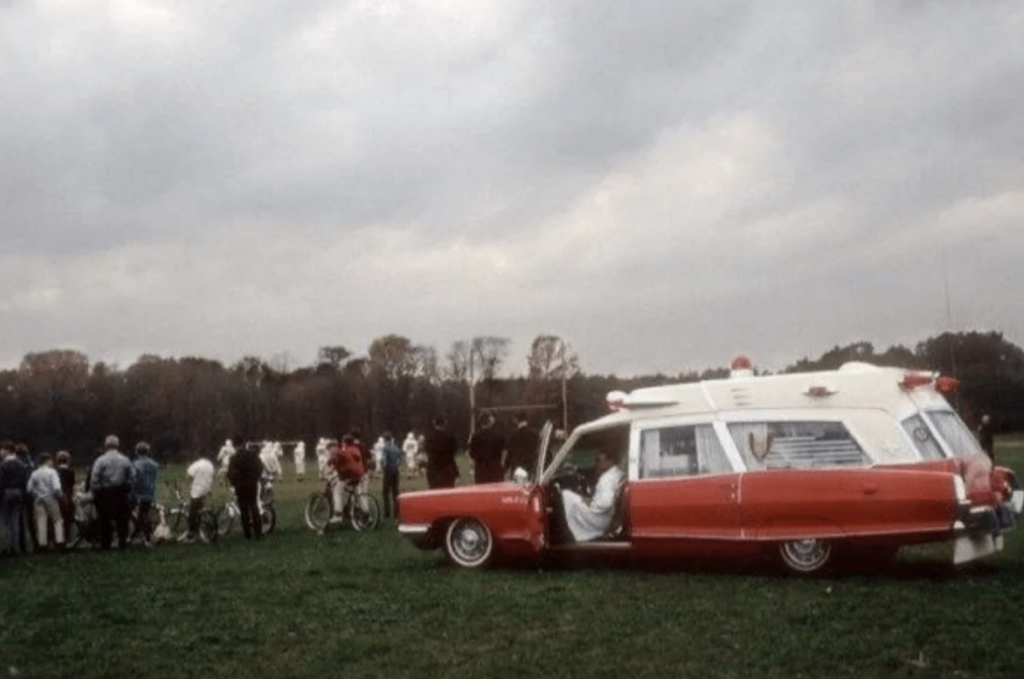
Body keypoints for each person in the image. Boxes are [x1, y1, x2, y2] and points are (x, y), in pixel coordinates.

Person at [560, 451, 624, 543]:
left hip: (601, 520)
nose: (596, 463)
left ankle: (569, 534)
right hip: (609, 517)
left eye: (599, 460)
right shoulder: (618, 473)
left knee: (566, 495)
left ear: (610, 461)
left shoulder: (606, 479)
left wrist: (588, 502)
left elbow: (605, 504)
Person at [89, 435, 136, 550]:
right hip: (121, 492)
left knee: (104, 519)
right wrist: (127, 486)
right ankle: (122, 542)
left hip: (105, 492)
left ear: (106, 446)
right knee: (122, 519)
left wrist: (97, 490)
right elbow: (133, 476)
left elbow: (94, 477)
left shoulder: (101, 460)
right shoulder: (125, 459)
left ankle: (106, 544)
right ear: (117, 445)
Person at [27, 453, 65, 551]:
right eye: (51, 460)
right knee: (57, 520)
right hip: (51, 498)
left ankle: (42, 544)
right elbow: (57, 488)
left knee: (41, 521)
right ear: (47, 460)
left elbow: (29, 489)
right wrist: (59, 496)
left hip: (38, 499)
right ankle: (59, 541)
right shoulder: (52, 472)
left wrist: (36, 495)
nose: (52, 462)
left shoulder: (34, 473)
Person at [228, 442, 265, 540]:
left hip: (240, 486)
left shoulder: (234, 458)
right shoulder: (252, 455)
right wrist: (255, 478)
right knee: (254, 507)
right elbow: (260, 467)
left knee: (243, 510)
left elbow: (230, 473)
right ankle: (258, 532)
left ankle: (247, 534)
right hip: (252, 484)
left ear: (235, 445)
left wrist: (234, 483)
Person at [0, 441, 29, 557]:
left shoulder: (2, 465)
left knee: (6, 522)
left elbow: (0, 483)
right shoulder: (22, 465)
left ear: (7, 450)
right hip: (19, 492)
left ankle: (8, 548)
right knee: (15, 521)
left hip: (6, 493)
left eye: (1, 450)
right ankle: (16, 548)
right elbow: (25, 481)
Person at [328, 435, 365, 522]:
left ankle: (338, 514)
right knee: (356, 494)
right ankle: (365, 514)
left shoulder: (343, 450)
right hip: (359, 475)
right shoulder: (356, 449)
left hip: (349, 475)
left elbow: (337, 458)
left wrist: (330, 462)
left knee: (337, 491)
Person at [181, 456, 215, 543]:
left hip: (197, 490)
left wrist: (189, 481)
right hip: (206, 489)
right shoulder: (210, 465)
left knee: (192, 512)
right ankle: (199, 527)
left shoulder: (197, 464)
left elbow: (188, 476)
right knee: (199, 510)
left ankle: (191, 534)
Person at [131, 442, 159, 544]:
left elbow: (133, 479)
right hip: (149, 493)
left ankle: (138, 534)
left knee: (134, 514)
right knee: (144, 514)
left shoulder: (135, 464)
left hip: (137, 493)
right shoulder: (154, 465)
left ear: (136, 452)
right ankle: (145, 534)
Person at [469, 413, 505, 484]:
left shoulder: (475, 437)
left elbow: (472, 454)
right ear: (490, 423)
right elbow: (499, 454)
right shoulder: (498, 437)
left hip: (481, 471)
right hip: (495, 470)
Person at [424, 416, 458, 489]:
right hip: (447, 470)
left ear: (435, 424)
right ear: (444, 424)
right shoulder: (450, 437)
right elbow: (454, 451)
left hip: (434, 470)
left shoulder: (430, 438)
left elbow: (427, 451)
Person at [505, 413, 539, 480]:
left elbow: (510, 454)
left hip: (517, 468)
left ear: (517, 421)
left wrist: (505, 468)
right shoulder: (534, 435)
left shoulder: (514, 436)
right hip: (530, 467)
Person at [379, 432, 403, 519]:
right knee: (395, 492)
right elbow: (400, 458)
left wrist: (383, 468)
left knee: (385, 492)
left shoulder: (385, 448)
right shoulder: (395, 447)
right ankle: (396, 513)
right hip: (395, 471)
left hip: (388, 471)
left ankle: (387, 513)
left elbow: (384, 460)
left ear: (385, 439)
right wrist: (397, 465)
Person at [54, 451, 75, 533]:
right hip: (68, 498)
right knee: (67, 520)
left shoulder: (55, 472)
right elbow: (72, 485)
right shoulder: (71, 472)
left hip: (57, 498)